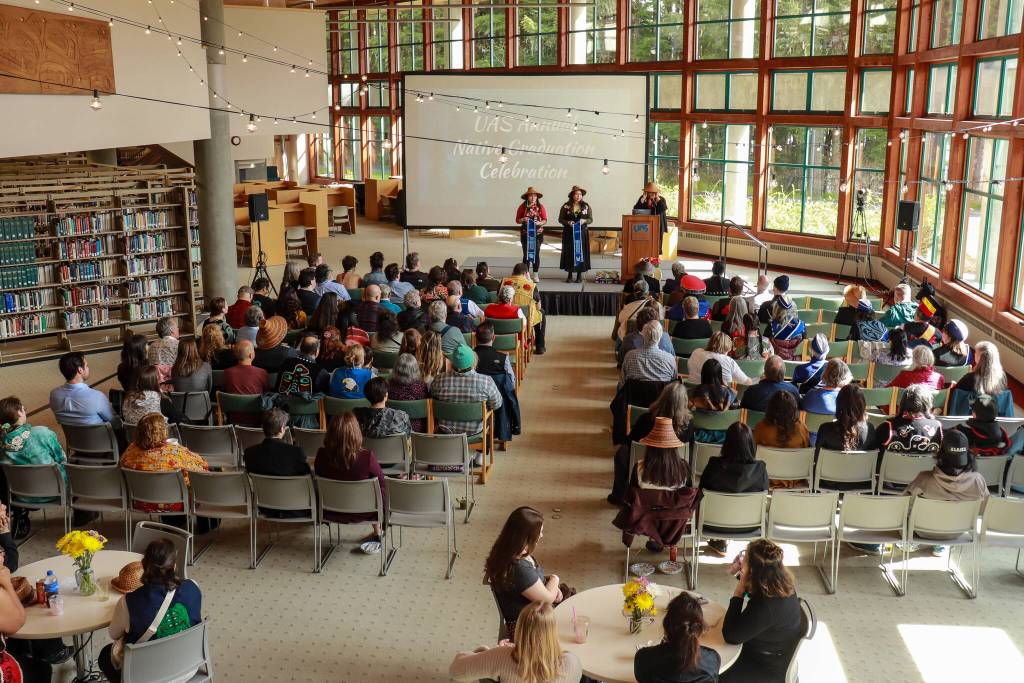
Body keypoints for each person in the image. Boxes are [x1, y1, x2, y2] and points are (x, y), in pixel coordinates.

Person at [97, 538, 203, 683]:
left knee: (104, 655)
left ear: (143, 565)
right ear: (174, 566)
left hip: (147, 678)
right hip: (189, 666)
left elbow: (114, 634)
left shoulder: (128, 602)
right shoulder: (194, 587)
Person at [719, 539, 803, 683]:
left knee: (708, 669)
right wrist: (741, 576)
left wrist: (739, 590)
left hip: (764, 664)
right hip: (774, 651)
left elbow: (731, 635)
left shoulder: (767, 605)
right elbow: (754, 593)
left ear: (753, 570)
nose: (741, 558)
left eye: (745, 557)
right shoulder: (779, 583)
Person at [449, 602, 581, 683]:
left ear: (519, 628)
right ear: (553, 631)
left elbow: (456, 672)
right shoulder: (572, 663)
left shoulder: (502, 656)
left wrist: (486, 651)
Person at [483, 507, 565, 638]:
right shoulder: (518, 568)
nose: (542, 535)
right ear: (527, 536)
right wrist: (555, 579)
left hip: (528, 611)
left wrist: (549, 583)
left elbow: (528, 582)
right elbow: (547, 600)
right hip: (527, 625)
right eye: (540, 532)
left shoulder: (507, 550)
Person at [905, 430, 989, 555]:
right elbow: (985, 510)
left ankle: (911, 542)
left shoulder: (924, 479)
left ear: (940, 454)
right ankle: (941, 545)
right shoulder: (978, 480)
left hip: (922, 530)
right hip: (957, 532)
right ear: (968, 454)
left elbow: (902, 505)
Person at [611, 382, 693, 504]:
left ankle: (619, 495)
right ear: (685, 402)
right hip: (674, 467)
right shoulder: (688, 426)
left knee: (621, 453)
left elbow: (630, 442)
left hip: (646, 463)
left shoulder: (646, 419)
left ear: (662, 397)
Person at [313, 413, 386, 546]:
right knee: (379, 489)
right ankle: (378, 531)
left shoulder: (321, 455)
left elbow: (318, 476)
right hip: (364, 511)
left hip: (330, 510)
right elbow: (382, 483)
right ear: (356, 432)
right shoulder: (367, 457)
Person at [699, 423, 767, 556]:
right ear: (751, 444)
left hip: (712, 524)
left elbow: (701, 492)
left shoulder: (713, 465)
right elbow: (763, 496)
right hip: (749, 526)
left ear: (726, 443)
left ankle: (720, 541)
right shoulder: (760, 469)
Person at [119, 414, 209, 513]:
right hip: (176, 502)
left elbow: (120, 469)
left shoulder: (130, 451)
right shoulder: (175, 452)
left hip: (138, 501)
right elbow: (203, 466)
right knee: (203, 482)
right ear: (163, 431)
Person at [634, 592, 721, 683]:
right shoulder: (712, 659)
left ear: (666, 627)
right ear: (699, 630)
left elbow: (641, 678)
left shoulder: (644, 658)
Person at [431, 346, 503, 436]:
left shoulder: (439, 379)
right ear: (473, 360)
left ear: (452, 361)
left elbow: (432, 395)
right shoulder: (486, 381)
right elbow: (497, 404)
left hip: (445, 432)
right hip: (474, 433)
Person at [948, 341, 1014, 417]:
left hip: (972, 419)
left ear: (980, 358)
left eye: (976, 353)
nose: (974, 354)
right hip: (995, 419)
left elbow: (955, 398)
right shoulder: (1002, 377)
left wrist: (953, 387)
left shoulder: (969, 378)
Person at [50, 352, 115, 426]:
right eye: (87, 366)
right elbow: (111, 420)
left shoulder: (54, 395)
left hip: (72, 437)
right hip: (102, 436)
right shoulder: (97, 396)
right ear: (80, 370)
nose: (88, 368)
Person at [877, 384, 943, 456]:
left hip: (890, 466)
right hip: (926, 467)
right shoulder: (937, 427)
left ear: (903, 402)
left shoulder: (887, 426)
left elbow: (873, 451)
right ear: (927, 404)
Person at [243, 408, 310, 477]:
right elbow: (306, 478)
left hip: (262, 487)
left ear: (263, 427)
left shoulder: (249, 453)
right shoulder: (297, 452)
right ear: (281, 429)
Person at [815, 384, 878, 453]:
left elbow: (816, 457)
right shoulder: (870, 429)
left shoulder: (825, 429)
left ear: (838, 404)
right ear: (862, 406)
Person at [501, 262, 546, 354]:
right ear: (526, 273)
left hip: (505, 315)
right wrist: (530, 280)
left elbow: (498, 299)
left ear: (513, 272)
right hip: (525, 319)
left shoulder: (504, 282)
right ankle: (540, 346)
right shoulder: (532, 286)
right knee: (541, 313)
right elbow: (538, 306)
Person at [689, 360, 736, 445]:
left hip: (698, 436)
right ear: (720, 374)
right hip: (723, 437)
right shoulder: (729, 393)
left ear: (703, 374)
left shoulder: (693, 393)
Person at [222, 342, 269, 425]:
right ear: (251, 355)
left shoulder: (227, 373)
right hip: (257, 421)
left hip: (233, 420)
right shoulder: (262, 373)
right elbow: (266, 392)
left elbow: (225, 390)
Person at [687, 333, 753, 385]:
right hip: (718, 399)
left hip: (693, 395)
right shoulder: (728, 361)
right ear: (726, 349)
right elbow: (747, 382)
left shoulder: (696, 352)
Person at [558, 185, 593, 283]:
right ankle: (569, 275)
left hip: (582, 233)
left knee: (580, 252)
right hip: (569, 233)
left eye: (580, 194)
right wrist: (568, 222)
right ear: (572, 195)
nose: (578, 196)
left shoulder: (586, 206)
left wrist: (584, 221)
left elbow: (591, 219)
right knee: (570, 252)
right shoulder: (566, 206)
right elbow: (560, 219)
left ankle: (579, 275)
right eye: (576, 194)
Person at [388, 353, 430, 432]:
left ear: (396, 368)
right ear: (415, 369)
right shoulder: (421, 387)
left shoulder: (388, 386)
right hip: (417, 430)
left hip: (394, 428)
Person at [516, 187, 547, 277]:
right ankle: (526, 274)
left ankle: (536, 274)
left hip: (538, 234)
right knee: (526, 254)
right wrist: (523, 219)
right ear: (527, 197)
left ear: (537, 197)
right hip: (526, 234)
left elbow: (545, 220)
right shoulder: (522, 207)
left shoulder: (540, 207)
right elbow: (517, 220)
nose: (533, 198)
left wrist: (540, 222)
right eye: (531, 196)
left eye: (535, 196)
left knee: (536, 253)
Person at [474, 321, 516, 388]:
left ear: (475, 337)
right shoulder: (503, 358)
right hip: (499, 396)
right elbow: (511, 382)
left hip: (476, 395)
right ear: (493, 338)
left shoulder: (468, 359)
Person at [147, 316, 180, 381]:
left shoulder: (151, 346)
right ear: (172, 330)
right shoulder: (179, 344)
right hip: (174, 383)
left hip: (155, 384)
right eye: (176, 327)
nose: (178, 328)